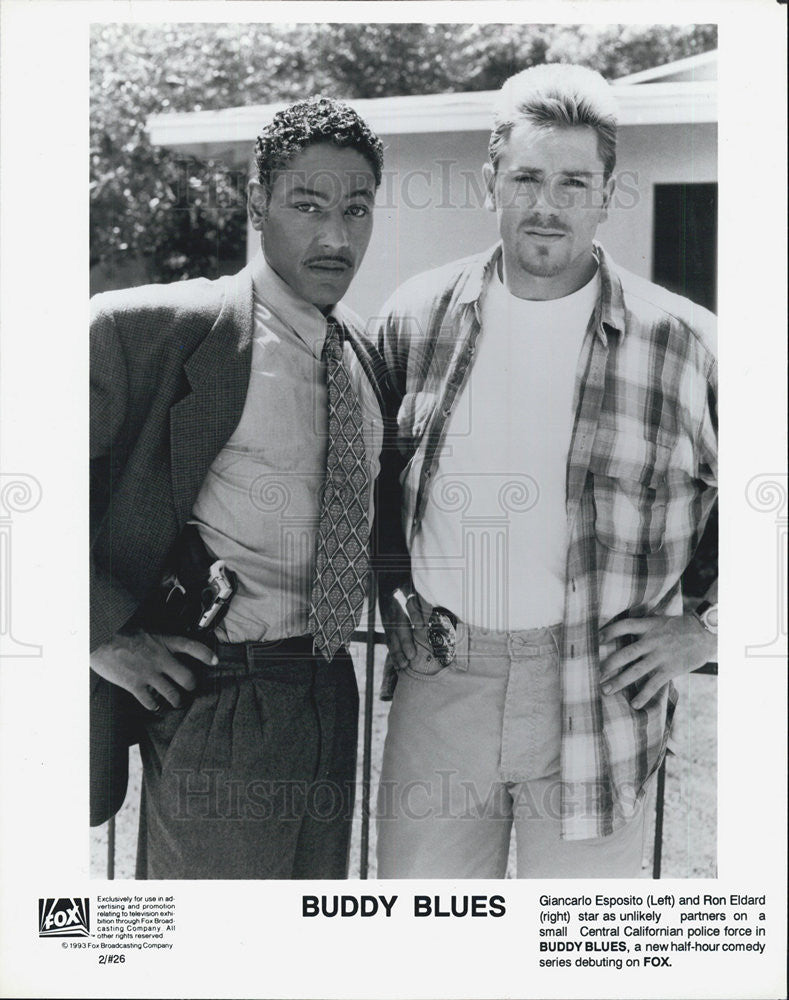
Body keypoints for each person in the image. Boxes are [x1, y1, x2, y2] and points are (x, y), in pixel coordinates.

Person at [374, 64, 718, 878]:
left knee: (569, 956)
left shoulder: (687, 344)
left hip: (602, 695)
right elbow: (373, 481)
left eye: (572, 181)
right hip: (444, 678)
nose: (546, 203)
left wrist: (703, 634)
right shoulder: (415, 317)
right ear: (490, 178)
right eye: (525, 176)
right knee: (425, 945)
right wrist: (389, 582)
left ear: (607, 192)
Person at [90, 97, 387, 879]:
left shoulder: (361, 349)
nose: (336, 235)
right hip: (219, 692)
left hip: (329, 685)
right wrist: (101, 635)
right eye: (307, 205)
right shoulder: (154, 328)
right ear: (256, 202)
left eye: (357, 209)